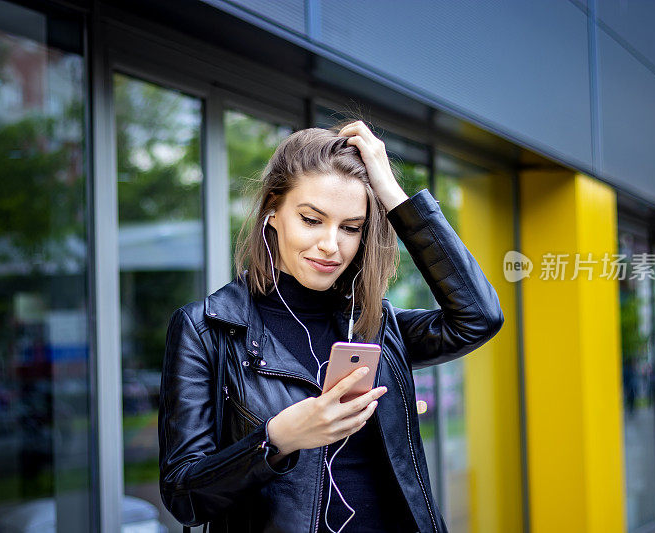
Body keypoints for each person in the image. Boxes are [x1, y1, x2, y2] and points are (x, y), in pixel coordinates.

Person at [159, 120, 504, 532]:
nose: (330, 245)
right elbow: (183, 494)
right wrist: (277, 439)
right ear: (273, 211)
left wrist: (393, 195)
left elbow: (478, 317)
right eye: (311, 219)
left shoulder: (375, 323)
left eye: (350, 228)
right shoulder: (208, 329)